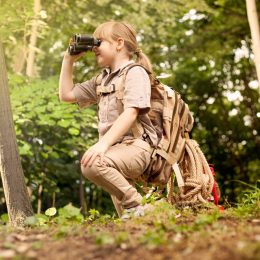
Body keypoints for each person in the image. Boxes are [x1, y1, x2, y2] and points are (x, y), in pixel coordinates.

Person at [58, 21, 158, 219]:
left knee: (92, 163)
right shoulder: (102, 79)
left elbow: (131, 112)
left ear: (119, 43)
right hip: (115, 151)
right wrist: (68, 60)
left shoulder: (135, 72)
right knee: (132, 223)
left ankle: (139, 205)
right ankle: (147, 215)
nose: (94, 48)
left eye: (100, 42)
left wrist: (101, 146)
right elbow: (66, 95)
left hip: (136, 148)